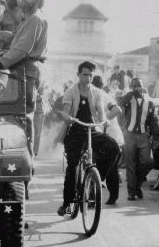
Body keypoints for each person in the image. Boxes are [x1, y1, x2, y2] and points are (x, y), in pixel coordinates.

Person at [0, 0, 48, 157]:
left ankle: (26, 159)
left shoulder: (35, 19)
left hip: (28, 70)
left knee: (23, 115)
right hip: (22, 68)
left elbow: (22, 50)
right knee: (18, 115)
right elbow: (17, 44)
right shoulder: (28, 19)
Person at [57, 61, 120, 215]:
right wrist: (68, 118)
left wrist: (104, 119)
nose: (88, 78)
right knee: (73, 167)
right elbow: (65, 112)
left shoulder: (97, 92)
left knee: (114, 148)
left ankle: (98, 179)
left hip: (92, 129)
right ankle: (67, 203)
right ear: (78, 75)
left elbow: (100, 111)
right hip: (76, 130)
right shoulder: (70, 91)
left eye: (91, 75)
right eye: (85, 75)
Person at [117, 78, 159, 200]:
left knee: (148, 162)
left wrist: (156, 137)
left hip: (144, 137)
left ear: (143, 86)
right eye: (134, 86)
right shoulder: (129, 100)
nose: (137, 88)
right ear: (131, 87)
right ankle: (131, 193)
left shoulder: (149, 102)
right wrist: (131, 93)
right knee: (130, 165)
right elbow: (120, 103)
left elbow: (154, 121)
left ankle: (137, 185)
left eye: (139, 85)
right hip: (129, 136)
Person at [92, 75, 123, 204]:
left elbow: (117, 110)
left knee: (104, 166)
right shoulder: (102, 95)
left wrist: (102, 122)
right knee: (112, 168)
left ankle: (94, 194)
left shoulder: (102, 96)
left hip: (110, 135)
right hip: (110, 135)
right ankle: (112, 197)